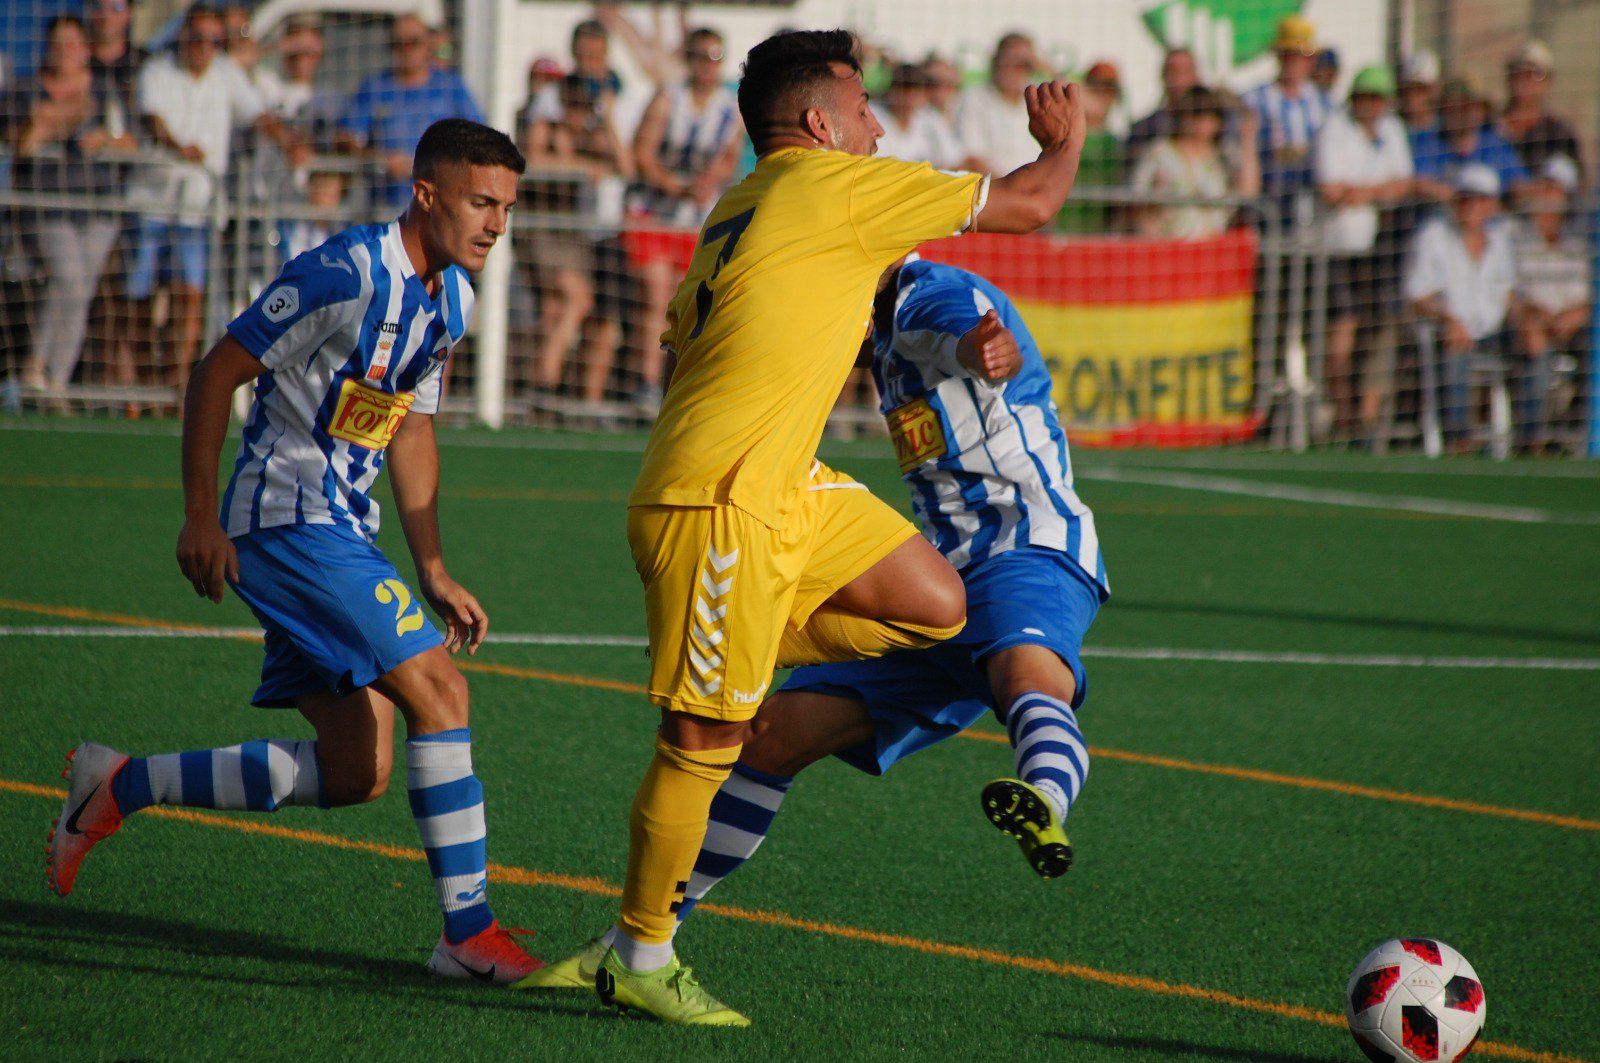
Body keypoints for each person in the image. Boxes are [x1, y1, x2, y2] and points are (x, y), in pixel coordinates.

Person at [519, 27, 1091, 1026]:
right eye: (865, 105)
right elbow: (1037, 201)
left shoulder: (737, 204)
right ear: (821, 123)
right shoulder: (834, 186)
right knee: (708, 734)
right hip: (721, 496)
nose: (879, 124)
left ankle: (748, 647)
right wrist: (1065, 134)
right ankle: (640, 950)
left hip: (785, 487)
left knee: (936, 603)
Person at [47, 119, 546, 986]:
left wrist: (431, 565)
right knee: (442, 689)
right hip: (284, 520)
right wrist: (200, 514)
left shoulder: (453, 296)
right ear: (426, 193)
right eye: (481, 201)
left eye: (507, 206)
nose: (497, 222)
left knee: (359, 770)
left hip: (344, 527)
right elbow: (217, 371)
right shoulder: (343, 271)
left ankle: (116, 784)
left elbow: (412, 426)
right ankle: (468, 932)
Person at [127, 4, 298, 395]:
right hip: (151, 201)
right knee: (139, 297)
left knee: (190, 295)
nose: (205, 48)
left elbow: (257, 114)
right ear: (182, 37)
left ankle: (174, 387)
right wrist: (176, 146)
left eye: (213, 41)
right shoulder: (157, 70)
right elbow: (153, 120)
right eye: (198, 39)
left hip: (200, 207)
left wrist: (288, 142)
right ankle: (136, 388)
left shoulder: (225, 73)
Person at [3, 15, 134, 396]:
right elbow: (21, 142)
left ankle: (54, 380)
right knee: (68, 279)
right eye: (57, 44)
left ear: (85, 49)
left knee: (79, 291)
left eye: (72, 44)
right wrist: (52, 120)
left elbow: (131, 139)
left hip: (98, 208)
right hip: (47, 207)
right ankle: (35, 368)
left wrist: (103, 140)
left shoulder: (105, 90)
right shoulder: (26, 89)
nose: (65, 52)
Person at [630, 26, 744, 406]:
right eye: (699, 58)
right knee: (657, 297)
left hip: (696, 219)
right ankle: (647, 382)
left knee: (686, 303)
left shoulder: (729, 107)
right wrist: (676, 186)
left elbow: (730, 157)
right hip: (656, 212)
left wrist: (709, 181)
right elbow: (642, 154)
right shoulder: (668, 99)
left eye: (714, 59)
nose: (707, 67)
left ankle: (675, 381)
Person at [1314, 65, 1414, 437]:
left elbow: (1403, 184)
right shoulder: (1334, 130)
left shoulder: (1393, 130)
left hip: (1381, 248)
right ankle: (1343, 417)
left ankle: (1368, 417)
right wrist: (1378, 191)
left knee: (1382, 327)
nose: (1371, 105)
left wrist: (1365, 193)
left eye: (1378, 98)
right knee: (1342, 327)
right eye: (1364, 97)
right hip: (1340, 247)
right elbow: (1333, 191)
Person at [522, 74, 634, 406]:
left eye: (585, 107)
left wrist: (610, 121)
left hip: (572, 235)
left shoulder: (593, 133)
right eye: (573, 105)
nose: (578, 113)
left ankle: (543, 388)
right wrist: (582, 166)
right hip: (541, 228)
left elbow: (626, 168)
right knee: (577, 299)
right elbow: (532, 161)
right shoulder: (547, 128)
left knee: (557, 309)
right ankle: (544, 385)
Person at [1404, 164, 1520, 447]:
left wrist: (1526, 322)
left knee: (1536, 346)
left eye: (1481, 199)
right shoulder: (1432, 235)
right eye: (1466, 198)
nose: (1472, 206)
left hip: (1494, 333)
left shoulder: (1501, 241)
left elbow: (1509, 294)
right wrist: (1447, 319)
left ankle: (1533, 442)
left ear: (1492, 205)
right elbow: (1416, 296)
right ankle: (1459, 441)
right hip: (1449, 332)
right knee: (1455, 347)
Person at [336, 14, 484, 208]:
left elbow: (479, 139)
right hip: (385, 209)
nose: (407, 49)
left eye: (414, 42)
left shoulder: (451, 88)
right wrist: (382, 159)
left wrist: (435, 164)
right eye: (399, 43)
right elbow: (344, 138)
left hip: (440, 208)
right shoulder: (375, 88)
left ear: (428, 44)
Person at [1511, 155, 1590, 448]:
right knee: (1534, 342)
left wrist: (1576, 315)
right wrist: (1538, 315)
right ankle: (1532, 440)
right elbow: (1510, 293)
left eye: (1554, 189)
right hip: (1532, 324)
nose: (1546, 195)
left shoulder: (1579, 242)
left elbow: (1588, 295)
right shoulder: (1515, 234)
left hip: (1574, 326)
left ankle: (1576, 429)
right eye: (1544, 186)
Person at [1130, 85, 1259, 240]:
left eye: (1209, 113)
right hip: (1169, 247)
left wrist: (1248, 139)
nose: (1200, 121)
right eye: (1194, 112)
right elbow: (1135, 203)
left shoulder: (1225, 155)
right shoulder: (1159, 153)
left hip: (1212, 250)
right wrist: (1153, 204)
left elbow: (1248, 193)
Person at [1242, 16, 1332, 215]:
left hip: (1309, 203)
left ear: (1311, 60)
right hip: (1267, 200)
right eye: (1288, 55)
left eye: (1301, 55)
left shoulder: (1326, 104)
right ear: (1278, 56)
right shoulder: (1254, 99)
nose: (1294, 62)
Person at [1410, 76, 1528, 201]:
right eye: (1452, 108)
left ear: (1480, 110)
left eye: (1467, 107)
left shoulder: (1494, 145)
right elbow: (1419, 183)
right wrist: (1459, 199)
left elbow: (1519, 184)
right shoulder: (1429, 143)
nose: (1460, 114)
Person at [955, 31, 1051, 175]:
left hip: (1036, 191)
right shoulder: (974, 98)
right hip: (994, 191)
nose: (1012, 69)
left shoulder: (1039, 95)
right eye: (1008, 61)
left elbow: (1090, 107)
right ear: (995, 61)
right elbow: (971, 157)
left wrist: (1045, 68)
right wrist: (1013, 191)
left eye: (1022, 64)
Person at [1054, 59, 1123, 234]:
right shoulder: (1063, 133)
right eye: (1097, 90)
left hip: (1099, 232)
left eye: (1109, 91)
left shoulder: (1115, 142)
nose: (1103, 97)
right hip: (1062, 230)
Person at [1498, 41, 1583, 180]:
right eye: (1519, 73)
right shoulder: (1490, 127)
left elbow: (1575, 183)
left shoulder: (1558, 132)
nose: (1526, 81)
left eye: (1535, 75)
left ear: (1549, 81)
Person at [1126, 47, 1201, 162]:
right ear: (1163, 76)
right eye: (1173, 71)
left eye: (1185, 71)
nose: (1179, 79)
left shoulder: (1217, 125)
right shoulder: (1143, 129)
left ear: (1196, 76)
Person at [874, 62, 953, 166]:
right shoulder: (874, 118)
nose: (909, 97)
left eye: (915, 90)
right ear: (891, 90)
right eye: (903, 90)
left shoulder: (931, 121)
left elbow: (953, 159)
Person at [1396, 50, 1440, 135]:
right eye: (1407, 89)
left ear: (1434, 90)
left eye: (1420, 89)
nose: (1412, 96)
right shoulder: (1391, 129)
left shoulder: (1445, 132)